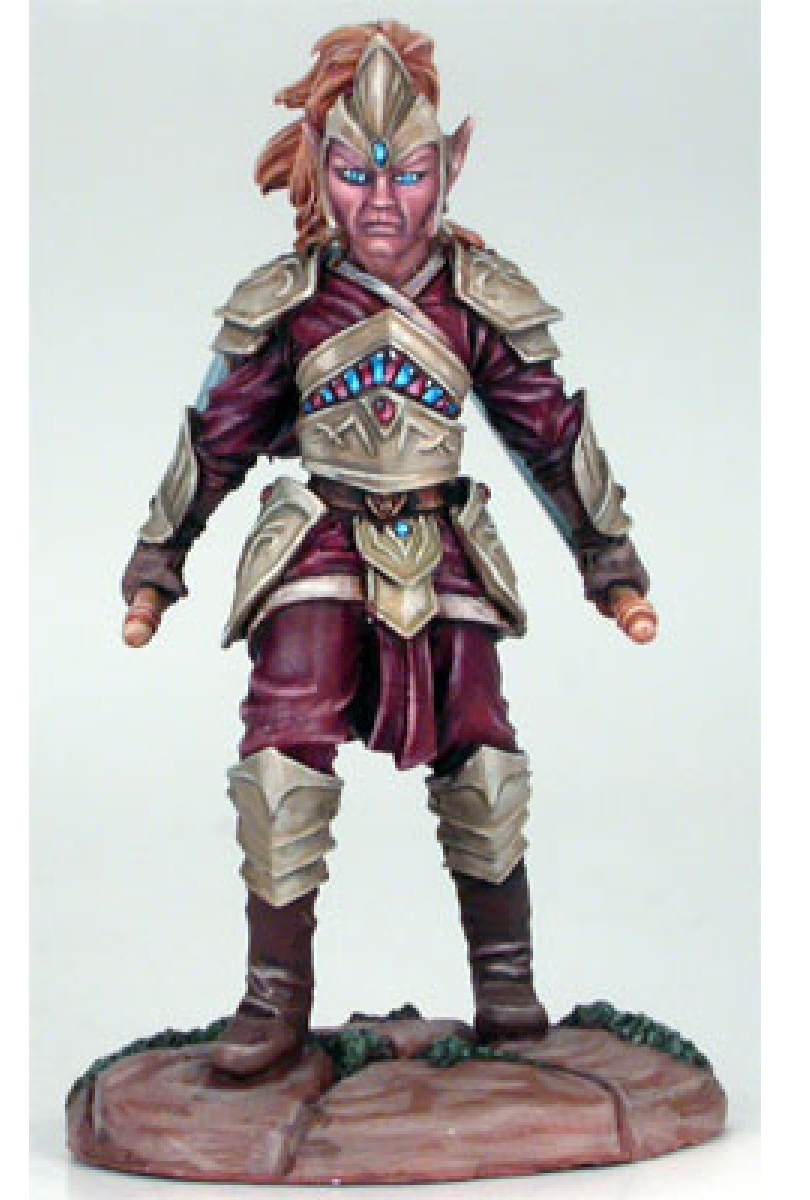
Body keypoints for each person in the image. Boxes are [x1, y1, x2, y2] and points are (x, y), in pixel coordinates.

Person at [120, 20, 653, 1079]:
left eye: (406, 176)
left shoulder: (476, 297)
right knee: (281, 754)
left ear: (447, 170)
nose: (380, 203)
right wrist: (159, 555)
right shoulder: (294, 301)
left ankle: (506, 983)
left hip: (443, 538)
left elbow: (548, 430)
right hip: (318, 536)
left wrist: (608, 555)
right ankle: (274, 997)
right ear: (322, 169)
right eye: (357, 174)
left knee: (483, 756)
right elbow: (218, 434)